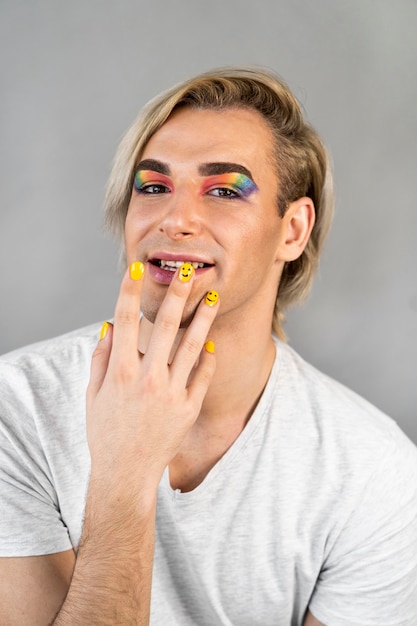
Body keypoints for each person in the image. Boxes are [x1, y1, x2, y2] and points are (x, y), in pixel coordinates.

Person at [0, 66, 416, 626]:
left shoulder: (374, 471)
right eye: (154, 186)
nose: (175, 219)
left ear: (292, 231)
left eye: (224, 190)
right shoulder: (16, 408)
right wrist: (126, 477)